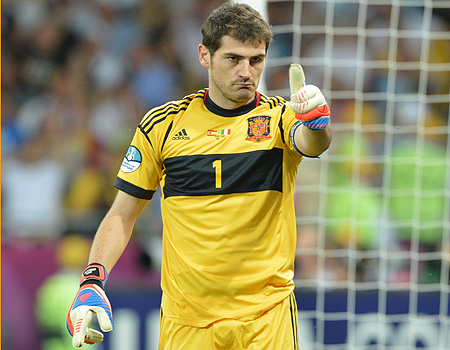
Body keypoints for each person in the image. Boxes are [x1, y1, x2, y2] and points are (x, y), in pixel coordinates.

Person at [66, 3, 332, 349]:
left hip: (266, 320)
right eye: (233, 59)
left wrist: (317, 122)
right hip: (187, 323)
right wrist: (92, 281)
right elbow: (121, 214)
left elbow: (311, 143)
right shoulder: (162, 127)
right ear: (204, 56)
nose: (246, 72)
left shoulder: (279, 121)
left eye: (256, 60)